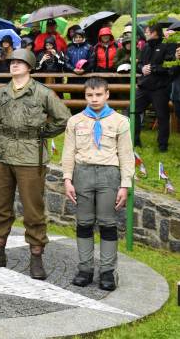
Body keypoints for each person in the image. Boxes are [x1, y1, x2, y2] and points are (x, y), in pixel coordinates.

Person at [0, 48, 70, 279]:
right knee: (0, 207)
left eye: (20, 62)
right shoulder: (0, 94)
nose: (14, 65)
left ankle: (36, 257)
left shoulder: (42, 93)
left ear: (30, 66)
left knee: (33, 210)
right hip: (2, 155)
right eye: (12, 62)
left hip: (31, 157)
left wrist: (42, 133)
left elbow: (64, 119)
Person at [61, 77, 134, 291]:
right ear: (85, 96)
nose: (94, 99)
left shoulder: (120, 122)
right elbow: (68, 152)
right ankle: (85, 269)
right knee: (84, 222)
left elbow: (126, 155)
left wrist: (124, 184)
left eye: (99, 94)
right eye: (90, 95)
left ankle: (107, 272)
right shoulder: (75, 121)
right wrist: (67, 179)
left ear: (107, 94)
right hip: (82, 174)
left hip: (109, 175)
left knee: (107, 223)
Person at [133, 24, 174, 152]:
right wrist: (142, 68)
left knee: (162, 116)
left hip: (160, 88)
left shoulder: (167, 45)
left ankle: (162, 146)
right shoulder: (145, 46)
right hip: (144, 86)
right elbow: (139, 64)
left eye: (147, 32)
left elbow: (171, 67)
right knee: (132, 111)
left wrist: (154, 68)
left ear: (155, 32)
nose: (145, 34)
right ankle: (135, 140)